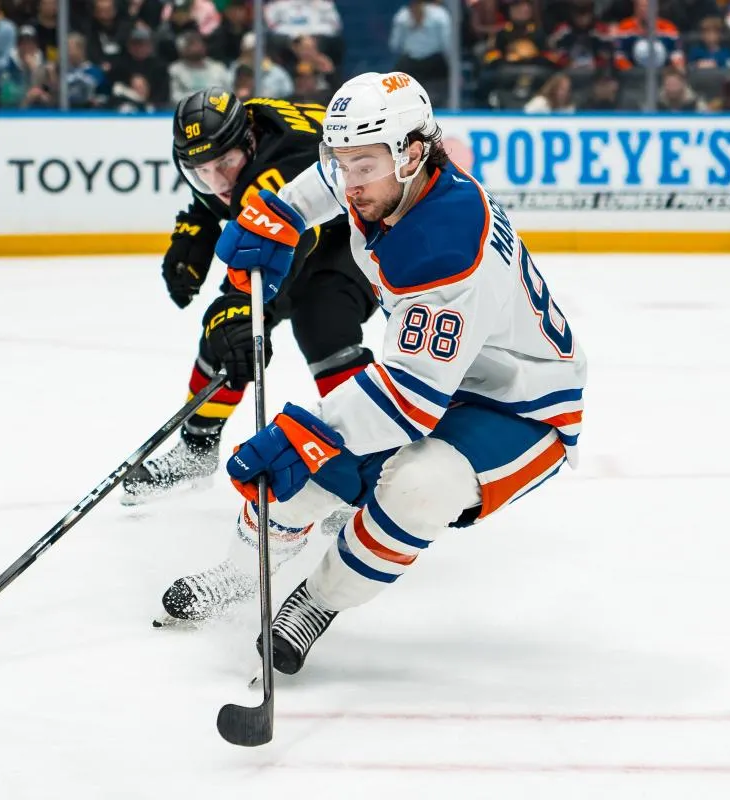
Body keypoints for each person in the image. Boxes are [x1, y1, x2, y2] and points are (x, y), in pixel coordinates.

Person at [167, 72, 586, 676]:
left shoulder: (445, 247)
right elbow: (330, 183)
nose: (349, 182)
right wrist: (280, 215)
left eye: (362, 165)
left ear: (413, 152)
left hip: (521, 405)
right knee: (315, 464)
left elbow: (408, 404)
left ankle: (317, 601)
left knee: (416, 485)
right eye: (341, 162)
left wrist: (298, 435)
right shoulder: (388, 177)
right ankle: (238, 577)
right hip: (443, 373)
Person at [123, 90, 378, 547]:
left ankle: (365, 464)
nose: (217, 180)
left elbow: (286, 237)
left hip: (354, 233)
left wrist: (240, 307)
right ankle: (196, 450)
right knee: (223, 331)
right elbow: (219, 197)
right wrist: (196, 228)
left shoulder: (281, 165)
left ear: (252, 142)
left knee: (324, 326)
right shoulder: (233, 139)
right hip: (292, 226)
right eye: (201, 172)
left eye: (225, 165)